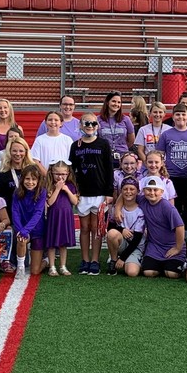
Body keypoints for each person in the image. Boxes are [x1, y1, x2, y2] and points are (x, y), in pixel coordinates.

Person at [69, 115, 114, 274]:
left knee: (96, 228)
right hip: (83, 193)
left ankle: (95, 260)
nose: (90, 125)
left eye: (93, 123)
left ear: (97, 126)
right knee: (84, 227)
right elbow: (71, 171)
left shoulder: (103, 144)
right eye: (86, 123)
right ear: (81, 125)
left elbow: (109, 169)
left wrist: (109, 192)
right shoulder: (76, 146)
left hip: (100, 192)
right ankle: (85, 260)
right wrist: (74, 190)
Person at [137, 176, 186, 278]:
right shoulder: (142, 201)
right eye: (148, 189)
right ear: (143, 191)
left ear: (162, 192)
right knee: (148, 272)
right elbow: (126, 196)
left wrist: (177, 248)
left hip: (171, 245)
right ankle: (160, 265)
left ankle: (182, 263)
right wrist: (118, 208)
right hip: (154, 246)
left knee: (172, 274)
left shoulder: (167, 207)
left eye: (155, 190)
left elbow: (180, 226)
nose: (152, 192)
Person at [45, 161, 79, 275]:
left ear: (68, 173)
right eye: (57, 174)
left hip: (66, 217)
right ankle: (52, 266)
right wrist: (58, 189)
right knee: (52, 242)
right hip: (54, 217)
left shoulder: (70, 186)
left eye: (63, 174)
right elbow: (50, 202)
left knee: (63, 243)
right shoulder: (49, 185)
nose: (60, 177)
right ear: (52, 173)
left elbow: (74, 201)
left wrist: (66, 190)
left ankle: (63, 266)